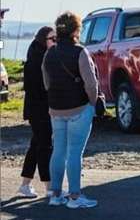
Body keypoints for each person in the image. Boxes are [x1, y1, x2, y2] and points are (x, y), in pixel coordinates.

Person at [42, 12, 99, 209]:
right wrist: (92, 103)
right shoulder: (80, 52)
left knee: (58, 151)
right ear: (76, 30)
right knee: (75, 153)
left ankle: (55, 194)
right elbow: (91, 84)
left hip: (56, 109)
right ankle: (75, 197)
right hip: (79, 107)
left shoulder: (49, 53)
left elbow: (46, 82)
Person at [17, 27, 56, 198]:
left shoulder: (41, 55)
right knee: (44, 146)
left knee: (36, 145)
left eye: (56, 38)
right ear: (43, 40)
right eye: (51, 38)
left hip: (39, 109)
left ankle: (25, 184)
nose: (55, 41)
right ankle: (49, 187)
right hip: (39, 110)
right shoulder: (36, 60)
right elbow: (37, 89)